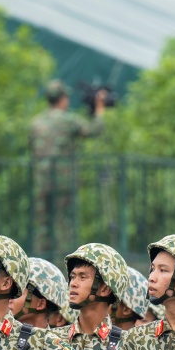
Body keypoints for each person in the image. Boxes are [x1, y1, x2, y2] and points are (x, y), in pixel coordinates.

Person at [30, 79, 106, 255]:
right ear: (63, 99)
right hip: (63, 181)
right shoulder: (69, 120)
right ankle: (64, 261)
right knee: (63, 222)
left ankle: (40, 260)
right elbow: (93, 130)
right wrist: (99, 110)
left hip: (41, 180)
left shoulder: (36, 122)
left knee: (42, 224)